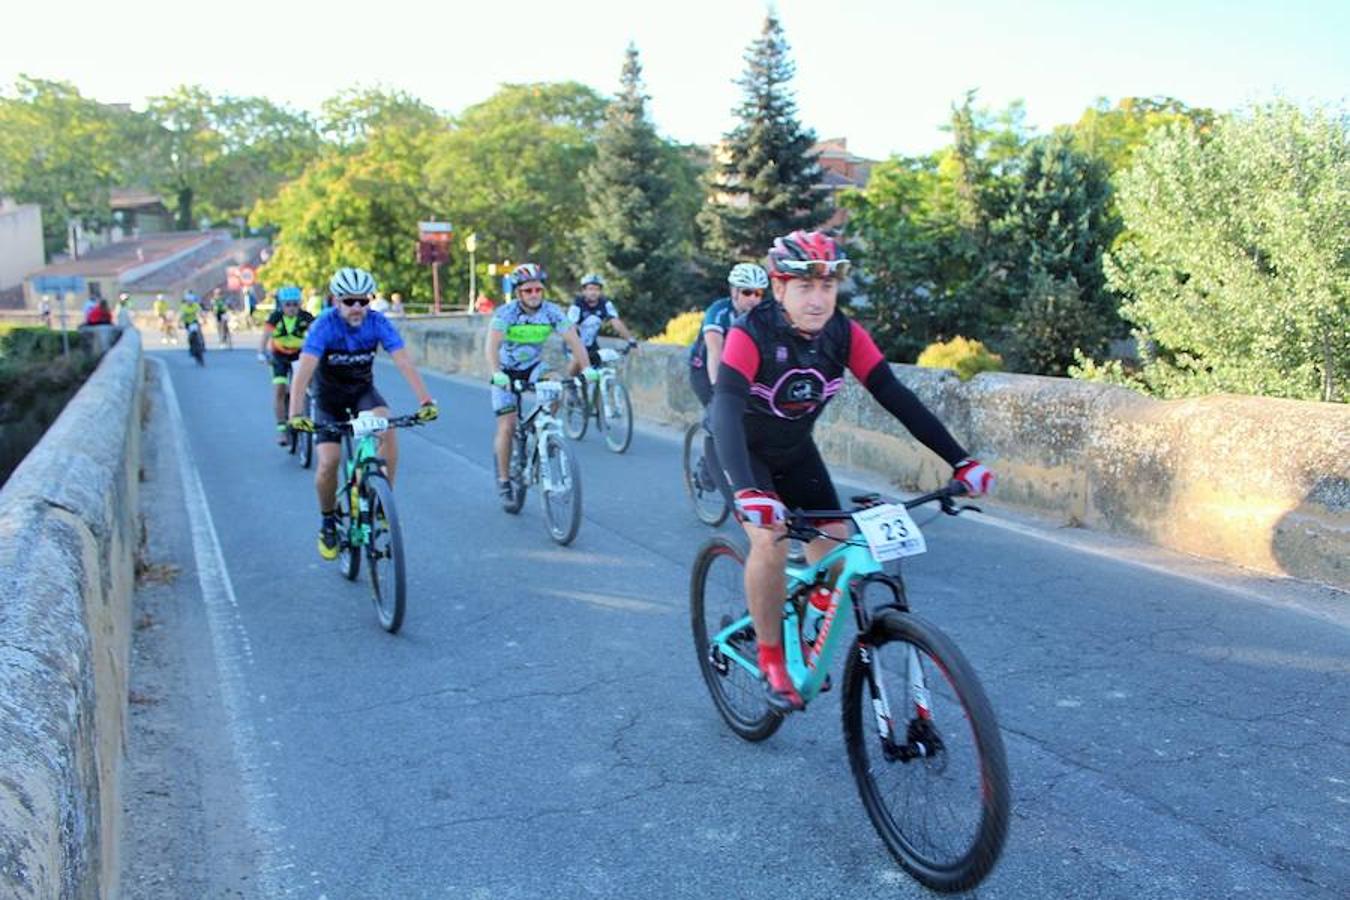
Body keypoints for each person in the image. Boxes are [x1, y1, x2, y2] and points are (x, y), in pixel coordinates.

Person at [709, 230, 996, 712]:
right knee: (770, 540)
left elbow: (894, 395)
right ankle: (772, 658)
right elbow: (725, 407)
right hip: (740, 449)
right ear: (779, 288)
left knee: (838, 542)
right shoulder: (750, 332)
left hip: (796, 451)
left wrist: (960, 460)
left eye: (827, 287)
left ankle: (803, 615)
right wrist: (746, 492)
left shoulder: (843, 334)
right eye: (804, 288)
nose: (818, 300)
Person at [287, 267, 439, 560]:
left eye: (364, 301)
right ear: (335, 300)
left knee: (388, 428)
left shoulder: (378, 323)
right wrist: (295, 414)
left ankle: (383, 503)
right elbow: (304, 372)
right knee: (329, 462)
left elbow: (404, 362)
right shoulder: (323, 326)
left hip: (362, 393)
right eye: (349, 301)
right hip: (328, 399)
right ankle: (328, 521)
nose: (357, 307)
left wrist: (425, 401)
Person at [485, 263, 593, 501]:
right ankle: (504, 481)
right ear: (518, 293)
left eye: (538, 290)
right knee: (507, 426)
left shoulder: (552, 312)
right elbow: (491, 346)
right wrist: (496, 372)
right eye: (528, 291)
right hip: (506, 371)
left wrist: (586, 369)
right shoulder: (506, 313)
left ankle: (542, 428)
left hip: (534, 367)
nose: (534, 295)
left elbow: (574, 341)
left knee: (556, 385)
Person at [689, 263, 769, 407]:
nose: (753, 299)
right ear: (734, 292)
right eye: (747, 292)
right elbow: (714, 353)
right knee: (721, 412)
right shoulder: (719, 312)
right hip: (704, 368)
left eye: (758, 293)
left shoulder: (759, 316)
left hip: (735, 366)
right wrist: (717, 388)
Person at [258, 285, 315, 445]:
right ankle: (282, 429)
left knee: (305, 384)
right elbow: (265, 337)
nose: (291, 308)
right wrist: (261, 352)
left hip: (299, 355)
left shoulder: (306, 317)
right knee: (279, 390)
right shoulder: (275, 317)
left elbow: (318, 335)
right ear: (281, 305)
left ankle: (304, 413)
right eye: (287, 304)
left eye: (295, 304)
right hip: (279, 356)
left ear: (300, 304)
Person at [566, 273, 637, 367]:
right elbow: (570, 329)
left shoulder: (605, 304)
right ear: (584, 291)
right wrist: (577, 348)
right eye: (590, 289)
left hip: (591, 346)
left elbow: (616, 323)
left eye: (597, 289)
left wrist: (631, 340)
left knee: (600, 373)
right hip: (574, 345)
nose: (593, 292)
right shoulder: (577, 306)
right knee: (582, 372)